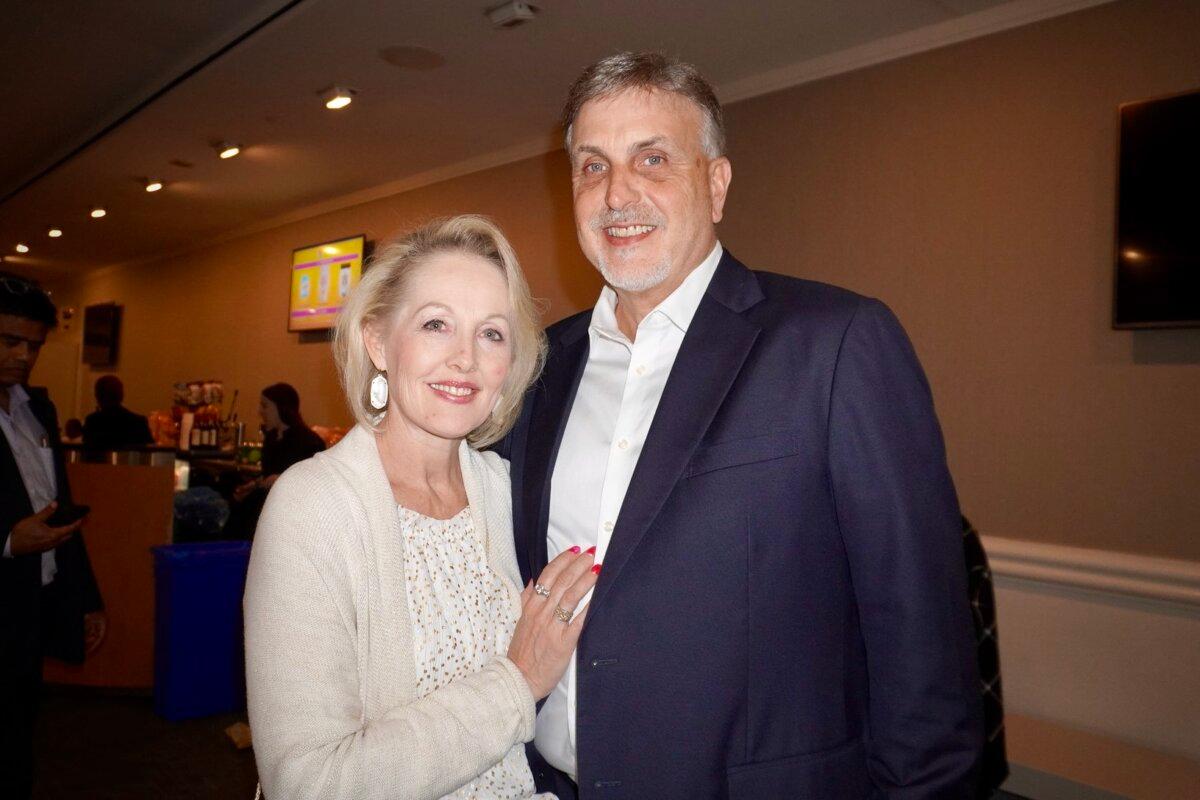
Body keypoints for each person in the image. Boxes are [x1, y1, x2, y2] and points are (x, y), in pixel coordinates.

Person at [499, 53, 983, 798]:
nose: (617, 194)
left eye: (651, 159)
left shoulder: (835, 343)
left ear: (716, 184)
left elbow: (921, 641)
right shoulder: (537, 367)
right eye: (591, 167)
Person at [244, 216, 600, 799]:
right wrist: (516, 684)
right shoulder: (313, 507)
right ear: (378, 341)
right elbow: (307, 783)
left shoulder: (511, 491)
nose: (465, 359)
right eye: (436, 324)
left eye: (492, 333)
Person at [0, 272, 106, 799]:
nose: (23, 355)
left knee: (19, 741)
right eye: (9, 341)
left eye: (34, 345)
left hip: (31, 605)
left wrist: (84, 599)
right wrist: (6, 541)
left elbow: (59, 509)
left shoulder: (35, 409)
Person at [231, 383, 326, 504]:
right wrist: (254, 485)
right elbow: (268, 475)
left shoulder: (310, 442)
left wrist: (280, 479)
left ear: (281, 408)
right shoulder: (272, 437)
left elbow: (313, 482)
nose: (260, 411)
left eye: (265, 406)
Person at [81, 374, 153, 451]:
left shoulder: (92, 422)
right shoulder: (138, 422)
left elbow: (86, 450)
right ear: (121, 395)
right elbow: (149, 450)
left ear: (97, 396)